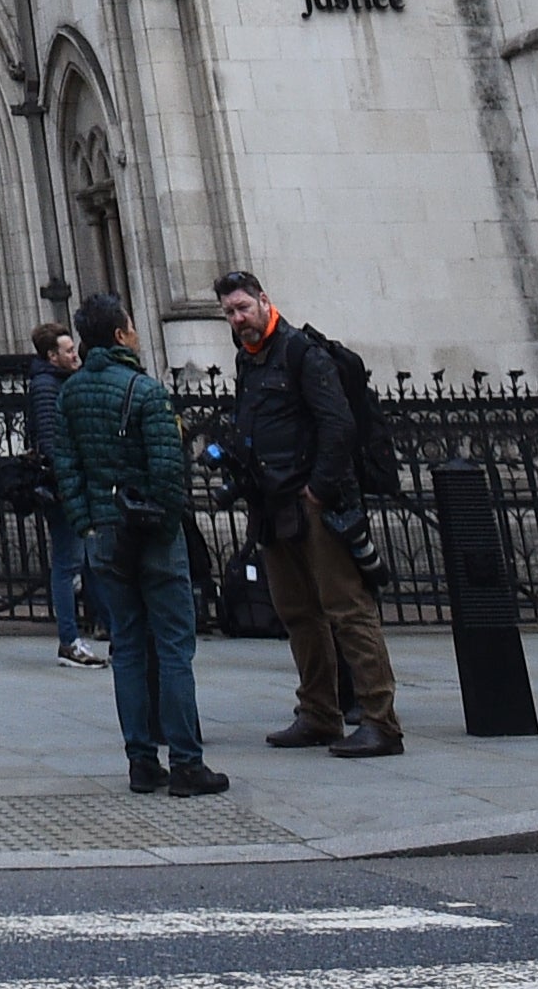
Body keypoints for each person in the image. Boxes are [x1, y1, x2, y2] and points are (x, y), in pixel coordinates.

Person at [50, 292, 229, 797]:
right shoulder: (147, 392)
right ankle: (188, 763)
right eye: (131, 325)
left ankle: (141, 761)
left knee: (127, 648)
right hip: (152, 535)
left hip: (104, 536)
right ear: (120, 334)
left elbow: (68, 468)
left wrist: (87, 523)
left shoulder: (70, 395)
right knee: (174, 648)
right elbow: (169, 471)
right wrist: (167, 523)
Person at [218, 269, 397, 757]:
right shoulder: (248, 361)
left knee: (347, 610)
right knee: (297, 612)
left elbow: (338, 424)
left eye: (243, 308)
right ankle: (319, 713)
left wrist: (318, 490)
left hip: (314, 503)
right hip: (272, 503)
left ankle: (380, 719)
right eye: (230, 312)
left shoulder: (302, 352)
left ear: (264, 301)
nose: (238, 319)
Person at [25, 318, 97, 667]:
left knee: (85, 561)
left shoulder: (62, 382)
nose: (76, 355)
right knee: (68, 564)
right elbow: (51, 441)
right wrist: (68, 482)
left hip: (73, 483)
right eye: (69, 351)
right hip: (63, 487)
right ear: (52, 355)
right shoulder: (46, 386)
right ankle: (69, 640)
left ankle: (98, 629)